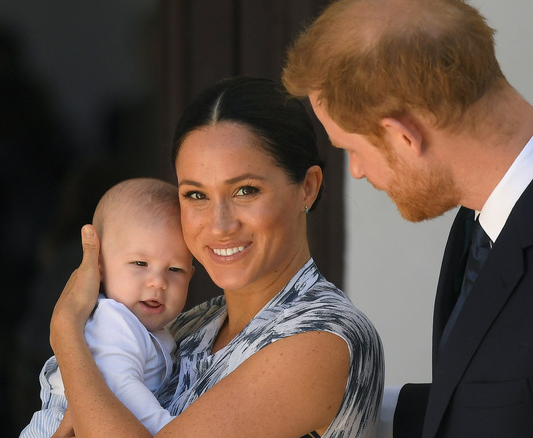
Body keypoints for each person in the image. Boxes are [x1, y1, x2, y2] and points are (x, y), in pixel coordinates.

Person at [282, 0, 533, 437]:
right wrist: (334, 403)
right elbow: (507, 406)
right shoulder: (493, 211)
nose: (357, 171)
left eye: (352, 149)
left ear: (404, 136)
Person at [48, 76, 384, 437]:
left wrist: (66, 331)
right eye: (196, 195)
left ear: (308, 187)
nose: (220, 225)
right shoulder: (189, 326)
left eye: (245, 190)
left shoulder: (323, 337)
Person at [21, 177, 194, 436]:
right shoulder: (113, 321)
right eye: (139, 264)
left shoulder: (153, 328)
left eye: (175, 269)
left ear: (191, 275)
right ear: (99, 267)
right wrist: (168, 429)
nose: (158, 281)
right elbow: (121, 388)